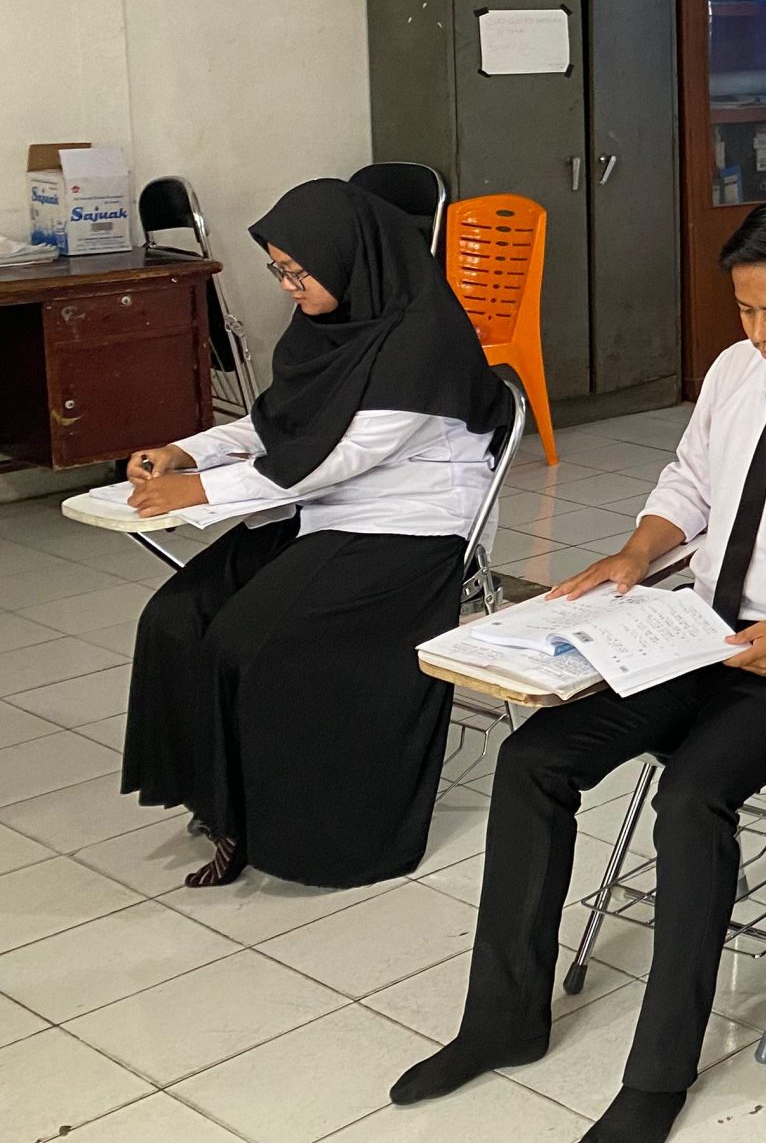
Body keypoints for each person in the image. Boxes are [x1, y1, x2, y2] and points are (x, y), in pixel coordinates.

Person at [391, 200, 766, 1143]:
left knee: (693, 798)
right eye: (746, 311)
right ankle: (503, 1019)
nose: (760, 332)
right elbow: (689, 484)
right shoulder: (737, 373)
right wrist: (634, 554)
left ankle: (657, 1076)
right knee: (533, 760)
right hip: (699, 629)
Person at [121, 178, 511, 890]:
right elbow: (278, 421)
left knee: (247, 642)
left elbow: (339, 455)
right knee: (176, 616)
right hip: (318, 511)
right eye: (279, 270)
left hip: (407, 529)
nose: (287, 286)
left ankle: (277, 829)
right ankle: (217, 800)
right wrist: (188, 452)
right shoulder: (329, 325)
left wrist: (201, 490)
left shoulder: (424, 338)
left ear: (347, 259)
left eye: (298, 272)